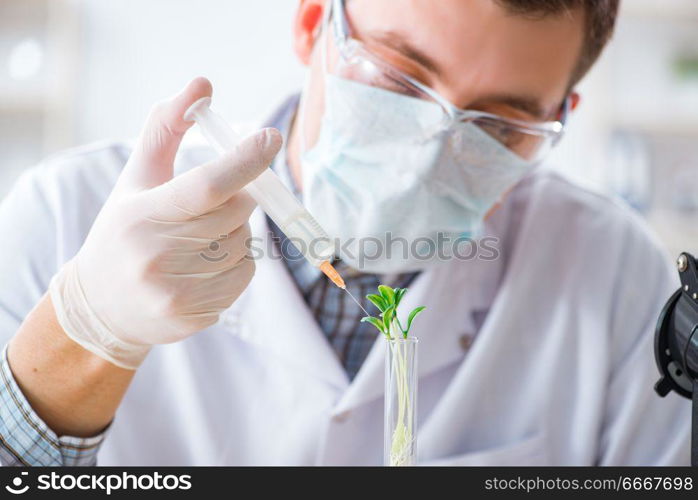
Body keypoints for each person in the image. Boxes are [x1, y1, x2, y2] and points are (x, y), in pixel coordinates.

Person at [0, 0, 689, 466]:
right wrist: (83, 335)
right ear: (311, 23)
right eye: (396, 77)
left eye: (502, 124)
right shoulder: (66, 213)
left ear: (561, 116)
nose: (427, 157)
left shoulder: (618, 275)